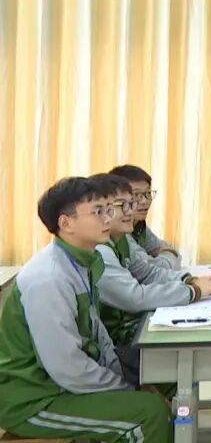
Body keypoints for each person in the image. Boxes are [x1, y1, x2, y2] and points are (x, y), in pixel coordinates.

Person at [0, 177, 172, 442]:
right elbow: (67, 368)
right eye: (98, 211)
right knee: (149, 413)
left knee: (160, 375)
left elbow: (98, 336)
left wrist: (126, 379)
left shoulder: (82, 261)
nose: (109, 217)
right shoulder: (49, 279)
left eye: (108, 209)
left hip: (63, 384)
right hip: (35, 399)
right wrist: (126, 387)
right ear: (66, 223)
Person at [90, 173, 211, 384]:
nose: (131, 211)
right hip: (115, 342)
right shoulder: (101, 251)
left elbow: (150, 273)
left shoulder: (122, 239)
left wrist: (188, 279)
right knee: (177, 355)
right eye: (122, 205)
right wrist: (193, 291)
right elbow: (134, 297)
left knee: (187, 349)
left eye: (131, 204)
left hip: (128, 328)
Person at [109, 165, 182, 270]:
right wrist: (167, 254)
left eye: (148, 193)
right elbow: (155, 268)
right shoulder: (119, 232)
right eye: (136, 195)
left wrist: (167, 253)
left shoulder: (138, 225)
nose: (144, 201)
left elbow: (171, 252)